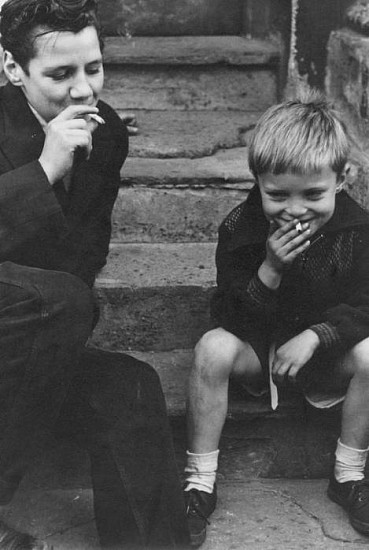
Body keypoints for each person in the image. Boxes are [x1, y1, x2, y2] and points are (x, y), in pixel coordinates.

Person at [0, 0, 189, 548]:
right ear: (13, 70)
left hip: (27, 344)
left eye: (94, 67)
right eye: (60, 74)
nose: (84, 90)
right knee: (60, 300)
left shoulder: (103, 133)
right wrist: (43, 172)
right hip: (30, 313)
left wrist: (54, 343)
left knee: (130, 386)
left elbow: (85, 253)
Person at [183, 91, 369, 547]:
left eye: (313, 195)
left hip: (326, 358)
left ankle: (349, 475)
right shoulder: (241, 228)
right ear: (258, 181)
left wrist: (318, 335)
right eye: (277, 195)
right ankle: (198, 483)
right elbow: (227, 314)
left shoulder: (358, 231)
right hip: (260, 355)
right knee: (211, 347)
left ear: (342, 179)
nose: (295, 210)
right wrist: (268, 270)